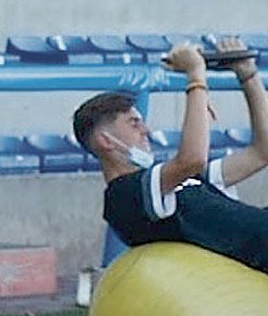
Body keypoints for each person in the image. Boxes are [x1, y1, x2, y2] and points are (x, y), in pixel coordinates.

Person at [73, 38, 268, 272]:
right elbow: (193, 158)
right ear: (105, 140)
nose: (146, 131)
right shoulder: (122, 197)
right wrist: (196, 77)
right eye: (134, 123)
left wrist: (248, 76)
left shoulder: (177, 179)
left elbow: (262, 152)